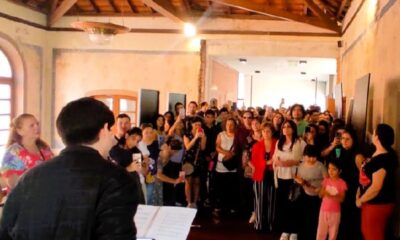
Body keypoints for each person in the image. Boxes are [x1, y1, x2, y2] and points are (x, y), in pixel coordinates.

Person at [0, 97, 139, 239]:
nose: (112, 136)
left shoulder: (29, 178)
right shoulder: (117, 180)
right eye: (110, 129)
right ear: (103, 129)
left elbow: (6, 231)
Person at [356, 124, 398, 240]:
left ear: (378, 137)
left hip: (377, 204)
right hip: (372, 202)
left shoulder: (383, 159)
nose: (372, 135)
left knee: (372, 235)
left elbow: (376, 187)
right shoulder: (380, 153)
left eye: (374, 133)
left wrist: (360, 200)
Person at [1, 113, 53, 190]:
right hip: (24, 197)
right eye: (32, 125)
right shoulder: (14, 151)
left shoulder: (44, 147)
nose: (37, 127)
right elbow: (12, 182)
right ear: (20, 131)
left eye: (37, 124)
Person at [273, 120, 306, 240]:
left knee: (294, 204)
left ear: (293, 129)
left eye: (289, 127)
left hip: (294, 177)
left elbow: (305, 159)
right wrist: (277, 162)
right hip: (281, 176)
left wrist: (293, 162)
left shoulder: (300, 142)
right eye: (284, 127)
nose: (286, 129)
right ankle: (285, 230)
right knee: (283, 204)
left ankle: (294, 231)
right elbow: (275, 157)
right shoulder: (279, 142)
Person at [249, 122, 277, 231]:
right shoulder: (257, 145)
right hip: (260, 174)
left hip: (273, 174)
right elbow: (254, 161)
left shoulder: (277, 143)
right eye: (264, 131)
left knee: (272, 200)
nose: (266, 133)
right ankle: (259, 224)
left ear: (272, 132)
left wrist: (271, 162)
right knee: (259, 199)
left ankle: (271, 224)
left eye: (268, 131)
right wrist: (268, 162)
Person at [295, 145, 327, 240]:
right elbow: (298, 178)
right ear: (304, 156)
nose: (311, 159)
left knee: (315, 218)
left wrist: (320, 189)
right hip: (305, 195)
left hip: (318, 197)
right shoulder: (301, 166)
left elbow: (327, 181)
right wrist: (300, 182)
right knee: (305, 217)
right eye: (308, 156)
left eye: (314, 157)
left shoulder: (320, 166)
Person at [316, 160, 347, 240]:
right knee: (321, 232)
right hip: (323, 211)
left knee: (333, 233)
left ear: (340, 171)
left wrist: (329, 195)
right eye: (329, 168)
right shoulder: (326, 180)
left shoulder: (342, 183)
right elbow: (320, 195)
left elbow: (342, 199)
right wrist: (321, 192)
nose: (331, 171)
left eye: (334, 169)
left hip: (335, 212)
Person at [183, 116, 206, 208]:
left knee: (197, 182)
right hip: (188, 160)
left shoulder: (203, 135)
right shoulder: (187, 134)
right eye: (195, 124)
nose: (197, 126)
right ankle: (189, 202)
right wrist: (195, 137)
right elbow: (187, 147)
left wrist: (203, 138)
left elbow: (203, 148)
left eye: (199, 124)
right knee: (188, 182)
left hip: (198, 160)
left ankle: (195, 202)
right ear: (192, 125)